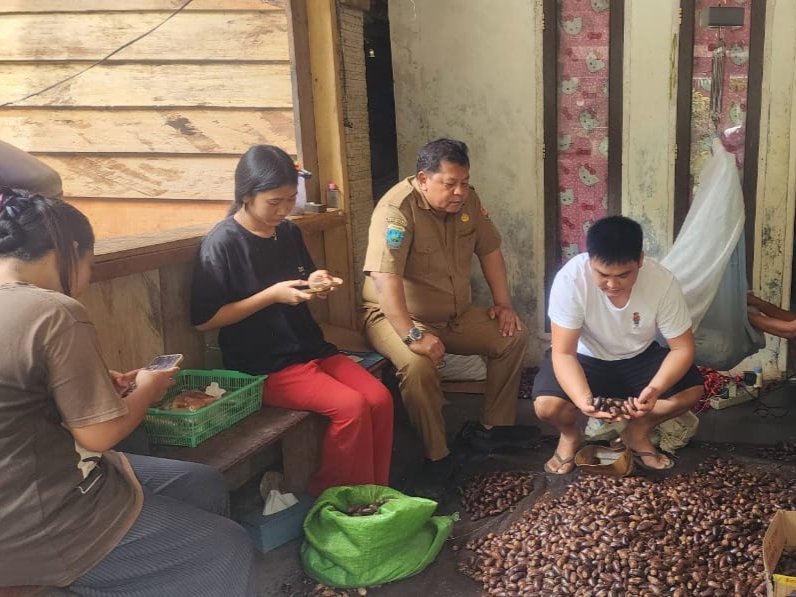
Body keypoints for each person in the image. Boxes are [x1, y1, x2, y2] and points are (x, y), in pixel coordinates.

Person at [0, 189, 257, 595]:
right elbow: (99, 436)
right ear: (71, 251)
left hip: (44, 475)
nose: (86, 278)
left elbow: (23, 394)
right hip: (38, 521)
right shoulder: (54, 310)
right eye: (90, 264)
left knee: (199, 482)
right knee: (226, 545)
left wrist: (105, 384)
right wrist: (148, 390)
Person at [190, 144, 393, 496]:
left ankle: (376, 492)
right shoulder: (222, 243)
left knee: (379, 398)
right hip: (263, 365)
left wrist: (317, 281)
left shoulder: (288, 232)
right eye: (274, 202)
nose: (283, 210)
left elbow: (304, 276)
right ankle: (336, 497)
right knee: (352, 407)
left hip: (310, 348)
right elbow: (205, 320)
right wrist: (271, 295)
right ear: (246, 196)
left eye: (289, 200)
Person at [361, 138, 533, 496]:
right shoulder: (396, 211)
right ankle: (437, 456)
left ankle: (490, 431)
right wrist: (412, 335)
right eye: (449, 184)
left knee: (512, 336)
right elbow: (384, 279)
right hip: (398, 317)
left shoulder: (469, 201)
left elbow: (490, 251)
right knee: (418, 364)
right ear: (424, 179)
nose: (459, 192)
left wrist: (503, 304)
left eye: (464, 182)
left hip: (454, 314)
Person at [532, 216, 704, 474]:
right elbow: (564, 353)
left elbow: (683, 349)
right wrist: (583, 400)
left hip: (639, 357)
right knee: (546, 406)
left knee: (690, 391)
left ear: (640, 260)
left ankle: (638, 431)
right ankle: (570, 436)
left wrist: (655, 389)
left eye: (624, 275)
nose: (612, 284)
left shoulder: (662, 282)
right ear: (589, 260)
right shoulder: (571, 280)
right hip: (585, 358)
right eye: (602, 274)